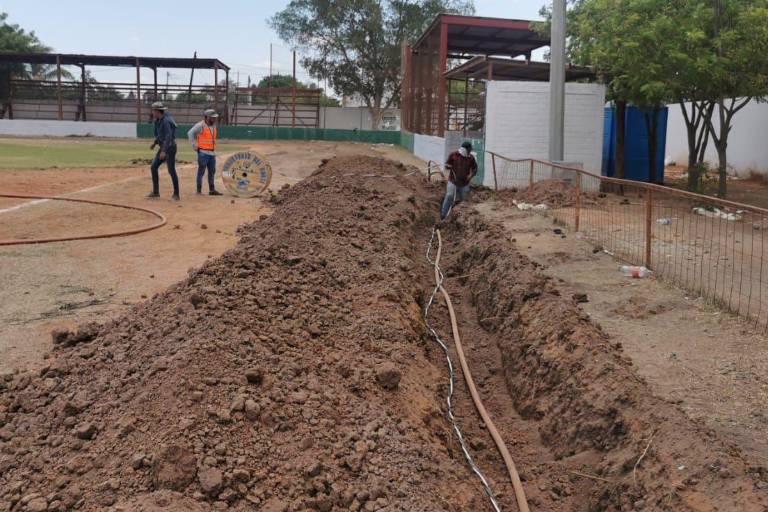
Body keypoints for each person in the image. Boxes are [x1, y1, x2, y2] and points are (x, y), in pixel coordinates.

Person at [148, 101, 180, 200]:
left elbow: (168, 136)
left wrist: (164, 151)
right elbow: (160, 135)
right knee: (153, 167)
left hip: (169, 148)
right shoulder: (157, 121)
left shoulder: (166, 120)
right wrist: (155, 143)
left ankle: (176, 194)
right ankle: (156, 192)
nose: (152, 112)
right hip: (163, 147)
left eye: (153, 110)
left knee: (171, 170)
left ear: (157, 111)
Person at [187, 108, 223, 195]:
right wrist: (194, 145)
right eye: (212, 117)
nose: (214, 119)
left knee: (212, 172)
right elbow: (190, 133)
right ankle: (198, 191)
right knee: (201, 172)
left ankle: (211, 190)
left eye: (215, 117)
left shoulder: (213, 125)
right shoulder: (200, 125)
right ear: (207, 117)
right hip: (203, 153)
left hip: (211, 153)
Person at [440, 141, 478, 219]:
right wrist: (448, 166)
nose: (470, 151)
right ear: (465, 149)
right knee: (449, 196)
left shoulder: (471, 158)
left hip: (464, 183)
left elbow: (475, 168)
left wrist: (470, 176)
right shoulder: (454, 155)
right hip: (453, 181)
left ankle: (462, 219)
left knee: (464, 201)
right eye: (469, 150)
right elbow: (447, 165)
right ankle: (443, 215)